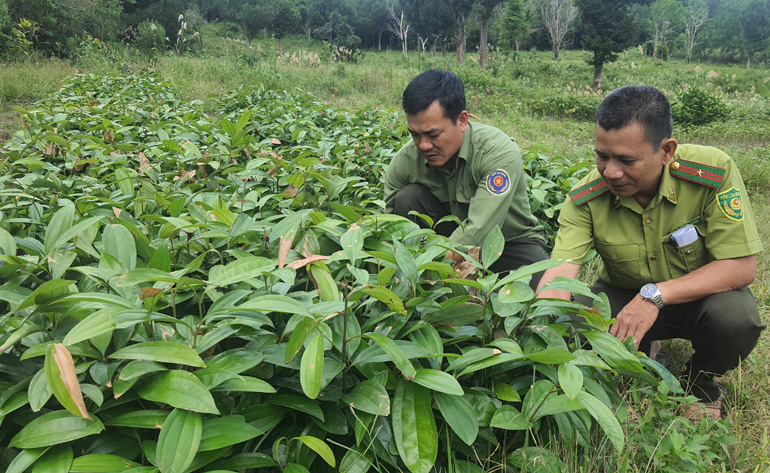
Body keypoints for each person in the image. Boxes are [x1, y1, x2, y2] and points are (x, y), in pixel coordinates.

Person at [536, 84, 765, 419]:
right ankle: (641, 354)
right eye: (602, 155)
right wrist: (536, 331)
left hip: (697, 297)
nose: (611, 172)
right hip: (621, 295)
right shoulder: (586, 196)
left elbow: (741, 268)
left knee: (735, 319)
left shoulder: (711, 173)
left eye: (627, 160)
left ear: (666, 150)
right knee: (572, 316)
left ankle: (700, 385)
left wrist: (654, 296)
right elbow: (560, 276)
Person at [384, 69, 548, 286]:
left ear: (462, 120)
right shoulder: (405, 161)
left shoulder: (498, 153)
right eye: (415, 134)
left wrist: (422, 267)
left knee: (546, 293)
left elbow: (480, 231)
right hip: (444, 240)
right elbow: (388, 226)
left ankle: (435, 280)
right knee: (407, 198)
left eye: (433, 135)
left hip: (508, 245)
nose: (423, 145)